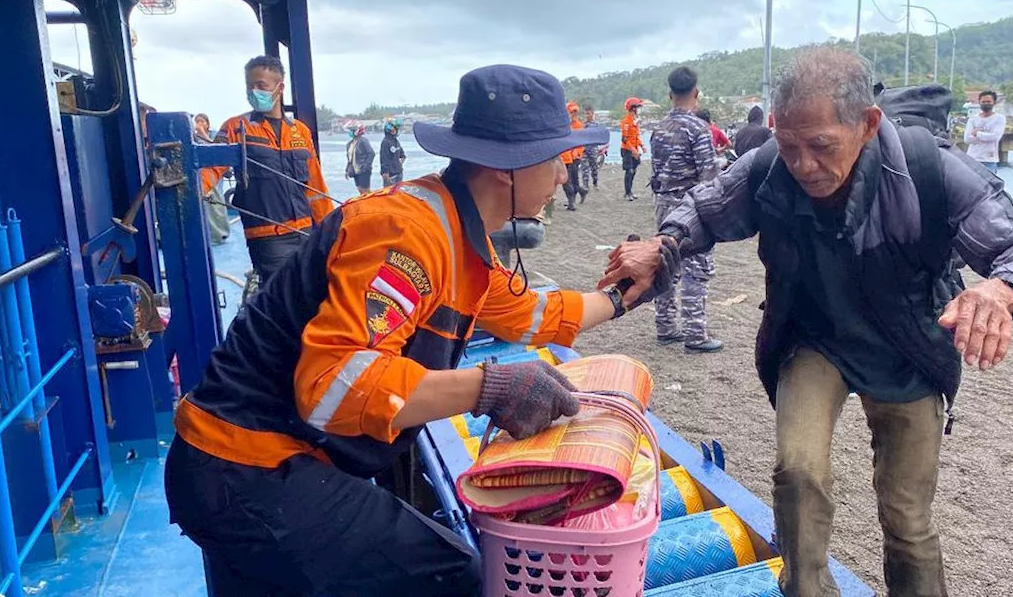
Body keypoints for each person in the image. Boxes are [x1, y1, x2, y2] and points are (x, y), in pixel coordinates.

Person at [164, 64, 670, 597]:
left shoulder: (456, 231)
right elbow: (332, 389)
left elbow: (530, 315)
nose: (565, 175)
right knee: (450, 573)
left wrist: (622, 297)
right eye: (557, 159)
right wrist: (489, 388)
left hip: (256, 458)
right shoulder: (407, 235)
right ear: (509, 167)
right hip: (244, 464)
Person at [602, 46, 1013, 596]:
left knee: (906, 515)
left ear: (868, 125)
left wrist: (1000, 289)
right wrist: (663, 245)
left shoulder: (930, 171)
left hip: (910, 346)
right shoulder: (769, 168)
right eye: (791, 144)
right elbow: (705, 210)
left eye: (821, 146)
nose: (803, 165)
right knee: (798, 474)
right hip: (812, 336)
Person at [206, 56, 335, 282]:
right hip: (268, 237)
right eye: (250, 86)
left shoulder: (300, 132)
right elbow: (210, 169)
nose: (254, 91)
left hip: (306, 231)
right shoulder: (236, 128)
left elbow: (315, 185)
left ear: (280, 87)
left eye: (261, 86)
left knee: (315, 289)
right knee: (285, 297)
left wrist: (329, 228)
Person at [649, 67, 723, 353]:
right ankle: (696, 334)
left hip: (663, 204)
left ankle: (665, 326)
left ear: (670, 95)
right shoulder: (698, 129)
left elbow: (656, 171)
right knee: (697, 267)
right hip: (691, 207)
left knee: (666, 263)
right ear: (696, 93)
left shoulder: (659, 129)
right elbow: (709, 176)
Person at [194, 113, 230, 246]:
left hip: (216, 175)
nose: (200, 124)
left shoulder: (215, 134)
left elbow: (217, 149)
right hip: (202, 176)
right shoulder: (193, 136)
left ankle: (221, 234)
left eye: (202, 121)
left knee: (217, 204)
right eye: (197, 122)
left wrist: (202, 134)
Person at [963, 90, 1005, 172]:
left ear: (994, 102)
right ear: (979, 102)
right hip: (972, 159)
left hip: (990, 161)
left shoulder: (1000, 119)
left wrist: (977, 133)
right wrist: (986, 136)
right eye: (983, 102)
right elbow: (967, 139)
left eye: (989, 101)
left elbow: (995, 137)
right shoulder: (973, 119)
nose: (986, 104)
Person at [560, 102, 588, 210]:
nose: (574, 114)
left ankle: (572, 201)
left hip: (575, 156)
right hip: (569, 155)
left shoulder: (578, 125)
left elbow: (579, 141)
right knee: (571, 179)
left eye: (575, 112)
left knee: (570, 180)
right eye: (572, 112)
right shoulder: (566, 125)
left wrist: (577, 152)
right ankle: (578, 194)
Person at [620, 97, 645, 201]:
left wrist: (642, 146)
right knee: (629, 171)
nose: (639, 109)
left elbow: (636, 137)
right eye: (638, 107)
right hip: (627, 150)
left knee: (633, 171)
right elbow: (624, 139)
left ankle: (630, 191)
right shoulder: (626, 121)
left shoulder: (635, 122)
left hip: (634, 149)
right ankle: (627, 193)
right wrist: (632, 150)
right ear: (632, 108)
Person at [345, 122, 376, 195]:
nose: (350, 132)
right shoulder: (349, 144)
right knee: (360, 190)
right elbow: (350, 158)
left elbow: (371, 153)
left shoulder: (363, 141)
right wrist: (347, 170)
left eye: (351, 130)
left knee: (365, 191)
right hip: (355, 171)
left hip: (363, 170)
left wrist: (365, 166)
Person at [580, 105, 604, 189]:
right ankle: (585, 186)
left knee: (594, 168)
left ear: (592, 113)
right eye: (586, 114)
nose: (587, 116)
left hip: (593, 149)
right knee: (584, 169)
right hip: (584, 149)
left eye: (588, 113)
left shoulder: (596, 125)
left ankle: (595, 183)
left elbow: (600, 136)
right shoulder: (582, 125)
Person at [379, 117, 407, 187]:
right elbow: (384, 159)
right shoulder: (385, 142)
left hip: (398, 173)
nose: (397, 130)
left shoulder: (395, 141)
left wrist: (398, 164)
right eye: (396, 128)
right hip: (390, 175)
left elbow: (402, 155)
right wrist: (385, 172)